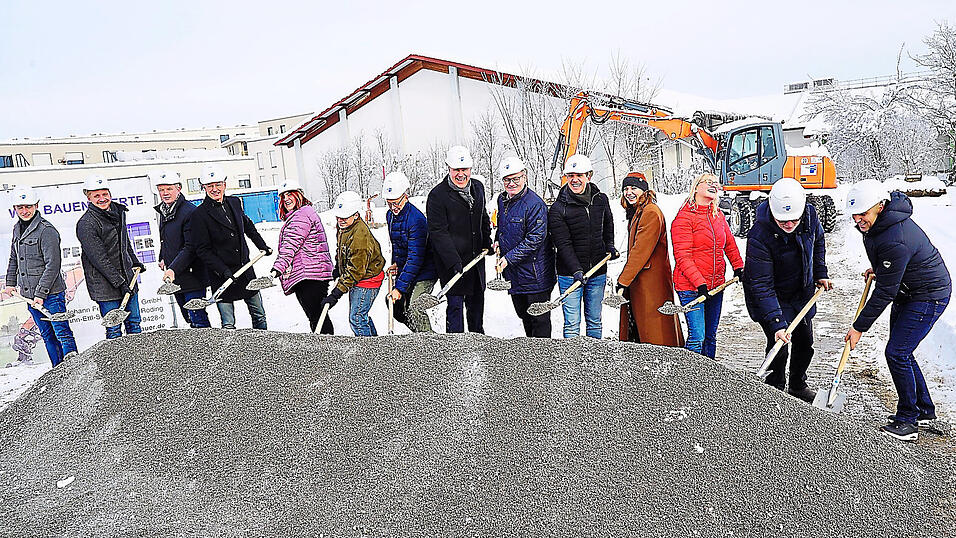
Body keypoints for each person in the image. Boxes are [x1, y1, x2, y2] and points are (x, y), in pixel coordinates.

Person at [844, 180, 951, 442]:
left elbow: (885, 293)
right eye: (855, 215)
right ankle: (924, 409)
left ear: (880, 207)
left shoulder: (896, 238)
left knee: (897, 352)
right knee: (902, 350)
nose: (858, 220)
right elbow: (890, 267)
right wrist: (883, 270)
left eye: (864, 214)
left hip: (928, 295)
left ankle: (908, 421)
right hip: (908, 289)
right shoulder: (880, 223)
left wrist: (859, 327)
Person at [743, 178, 831, 402]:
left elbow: (818, 241)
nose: (789, 225)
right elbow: (761, 285)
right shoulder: (759, 236)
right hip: (771, 294)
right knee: (779, 344)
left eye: (793, 220)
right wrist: (776, 322)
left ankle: (797, 385)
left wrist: (820, 272)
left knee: (805, 341)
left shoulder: (810, 216)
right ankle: (774, 390)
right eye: (783, 221)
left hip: (801, 292)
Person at [670, 172, 743, 358]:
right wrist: (699, 283)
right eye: (708, 182)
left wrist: (738, 266)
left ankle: (709, 379)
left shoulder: (717, 215)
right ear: (696, 187)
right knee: (697, 336)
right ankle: (689, 379)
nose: (713, 185)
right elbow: (682, 256)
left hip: (716, 286)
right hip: (690, 287)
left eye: (715, 183)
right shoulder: (684, 218)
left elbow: (729, 243)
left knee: (710, 336)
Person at [190, 164, 271, 330]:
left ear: (224, 185)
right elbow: (202, 250)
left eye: (218, 184)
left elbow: (247, 226)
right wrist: (223, 271)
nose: (215, 189)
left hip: (245, 268)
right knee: (228, 323)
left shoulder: (234, 203)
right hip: (221, 275)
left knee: (259, 314)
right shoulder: (199, 215)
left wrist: (262, 245)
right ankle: (231, 353)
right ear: (204, 188)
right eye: (210, 186)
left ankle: (263, 346)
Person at [4, 187, 77, 365]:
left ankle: (75, 373)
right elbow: (15, 257)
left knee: (62, 333)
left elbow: (53, 265)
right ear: (15, 208)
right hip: (30, 296)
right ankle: (57, 372)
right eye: (20, 207)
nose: (24, 211)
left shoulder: (47, 231)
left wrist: (41, 294)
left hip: (51, 295)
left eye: (28, 206)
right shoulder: (17, 229)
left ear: (36, 205)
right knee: (46, 335)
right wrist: (10, 283)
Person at [548, 154, 617, 339]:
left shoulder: (600, 200)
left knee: (594, 320)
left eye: (579, 175)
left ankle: (594, 362)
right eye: (570, 175)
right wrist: (576, 269)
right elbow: (563, 243)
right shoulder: (558, 208)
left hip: (597, 271)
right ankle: (572, 365)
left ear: (589, 175)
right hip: (569, 274)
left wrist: (609, 245)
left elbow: (608, 224)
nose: (575, 179)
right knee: (572, 324)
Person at [426, 146, 493, 334]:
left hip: (475, 261)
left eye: (464, 170)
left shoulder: (478, 187)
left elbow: (483, 217)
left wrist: (486, 240)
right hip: (452, 264)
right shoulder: (437, 196)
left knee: (476, 307)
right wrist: (453, 261)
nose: (461, 174)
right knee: (455, 308)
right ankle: (455, 349)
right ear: (449, 169)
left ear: (470, 169)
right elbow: (438, 232)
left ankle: (478, 343)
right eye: (456, 170)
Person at [615, 172, 683, 346]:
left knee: (655, 327)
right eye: (626, 189)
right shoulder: (638, 211)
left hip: (651, 282)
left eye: (634, 188)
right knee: (643, 326)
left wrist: (623, 280)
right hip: (642, 280)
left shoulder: (650, 212)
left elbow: (641, 251)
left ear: (644, 191)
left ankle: (662, 361)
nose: (629, 192)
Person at [76, 175, 146, 339]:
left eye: (104, 194)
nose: (102, 198)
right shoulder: (86, 223)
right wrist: (119, 283)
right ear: (88, 197)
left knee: (134, 323)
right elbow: (99, 259)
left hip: (127, 279)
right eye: (96, 195)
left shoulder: (117, 212)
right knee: (114, 328)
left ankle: (139, 361)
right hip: (104, 285)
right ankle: (117, 364)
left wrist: (134, 261)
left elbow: (124, 241)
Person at [494, 156, 556, 337]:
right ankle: (531, 358)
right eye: (507, 180)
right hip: (515, 275)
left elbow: (535, 239)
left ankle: (543, 360)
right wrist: (498, 240)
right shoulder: (502, 200)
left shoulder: (535, 204)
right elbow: (503, 227)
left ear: (525, 176)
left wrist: (508, 258)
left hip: (535, 275)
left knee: (539, 320)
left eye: (516, 178)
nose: (511, 183)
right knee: (524, 316)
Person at [269, 179, 334, 333]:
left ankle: (327, 350)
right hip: (313, 272)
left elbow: (290, 245)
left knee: (317, 317)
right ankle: (325, 348)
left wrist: (278, 268)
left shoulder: (301, 216)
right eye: (283, 196)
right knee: (317, 316)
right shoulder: (302, 213)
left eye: (290, 194)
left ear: (298, 195)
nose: (286, 199)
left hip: (310, 275)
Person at [151, 169, 210, 328]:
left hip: (192, 276)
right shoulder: (165, 210)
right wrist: (162, 257)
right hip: (176, 275)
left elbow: (191, 246)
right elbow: (166, 238)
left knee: (198, 319)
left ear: (179, 188)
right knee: (189, 318)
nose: (165, 193)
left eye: (169, 189)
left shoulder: (189, 212)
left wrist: (173, 269)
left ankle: (208, 350)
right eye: (161, 189)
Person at [321, 191, 386, 336]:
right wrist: (339, 267)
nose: (340, 220)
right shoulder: (344, 226)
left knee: (356, 318)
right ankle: (376, 346)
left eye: (344, 216)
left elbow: (355, 271)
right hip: (360, 275)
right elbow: (342, 248)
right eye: (338, 216)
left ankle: (368, 355)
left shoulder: (359, 237)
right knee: (361, 316)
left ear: (356, 215)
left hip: (368, 278)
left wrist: (336, 294)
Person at [382, 171, 438, 333]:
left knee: (415, 307)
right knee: (394, 305)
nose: (393, 208)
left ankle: (431, 343)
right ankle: (420, 336)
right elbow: (397, 243)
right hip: (408, 268)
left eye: (396, 203)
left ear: (405, 196)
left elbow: (415, 257)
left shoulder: (417, 220)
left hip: (426, 270)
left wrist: (399, 288)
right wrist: (395, 263)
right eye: (389, 203)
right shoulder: (390, 216)